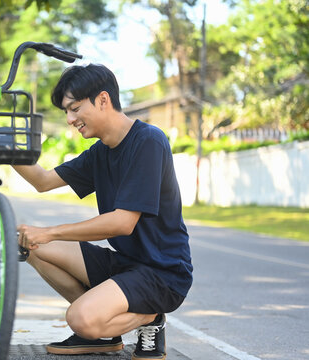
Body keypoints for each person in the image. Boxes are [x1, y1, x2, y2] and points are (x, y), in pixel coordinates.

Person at [12, 64, 192, 360]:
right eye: (67, 112)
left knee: (79, 318)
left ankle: (150, 317)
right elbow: (43, 181)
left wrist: (51, 231)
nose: (70, 119)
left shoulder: (148, 141)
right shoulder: (101, 151)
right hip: (127, 264)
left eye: (75, 108)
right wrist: (2, 146)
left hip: (163, 273)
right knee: (30, 245)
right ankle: (105, 331)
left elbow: (123, 222)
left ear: (103, 100)